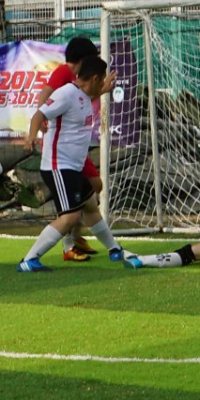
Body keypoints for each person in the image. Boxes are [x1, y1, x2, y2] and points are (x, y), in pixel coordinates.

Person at [18, 56, 126, 272]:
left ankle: (114, 249)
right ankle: (29, 260)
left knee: (91, 206)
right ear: (95, 77)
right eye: (102, 79)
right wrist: (31, 136)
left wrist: (102, 90)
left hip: (73, 167)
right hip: (58, 166)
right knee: (70, 217)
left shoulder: (85, 94)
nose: (103, 82)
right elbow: (38, 115)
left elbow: (90, 94)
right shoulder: (66, 94)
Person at [37, 37, 103, 262]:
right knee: (76, 203)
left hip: (77, 147)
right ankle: (68, 245)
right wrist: (42, 120)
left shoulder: (81, 79)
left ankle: (76, 236)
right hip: (63, 150)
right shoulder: (64, 74)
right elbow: (45, 98)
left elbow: (86, 97)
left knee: (93, 191)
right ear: (83, 59)